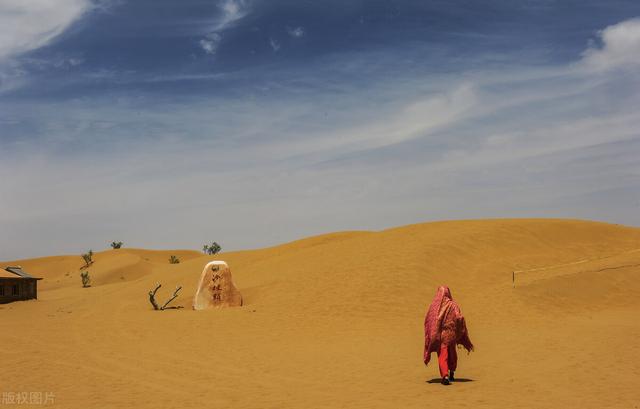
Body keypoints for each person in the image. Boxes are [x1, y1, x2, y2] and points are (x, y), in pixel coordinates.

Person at [423, 285, 473, 385]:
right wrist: (460, 327)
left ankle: (445, 375)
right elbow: (459, 317)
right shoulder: (453, 305)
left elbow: (429, 320)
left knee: (443, 355)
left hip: (440, 336)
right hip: (451, 336)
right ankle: (452, 373)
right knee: (452, 354)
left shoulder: (434, 306)